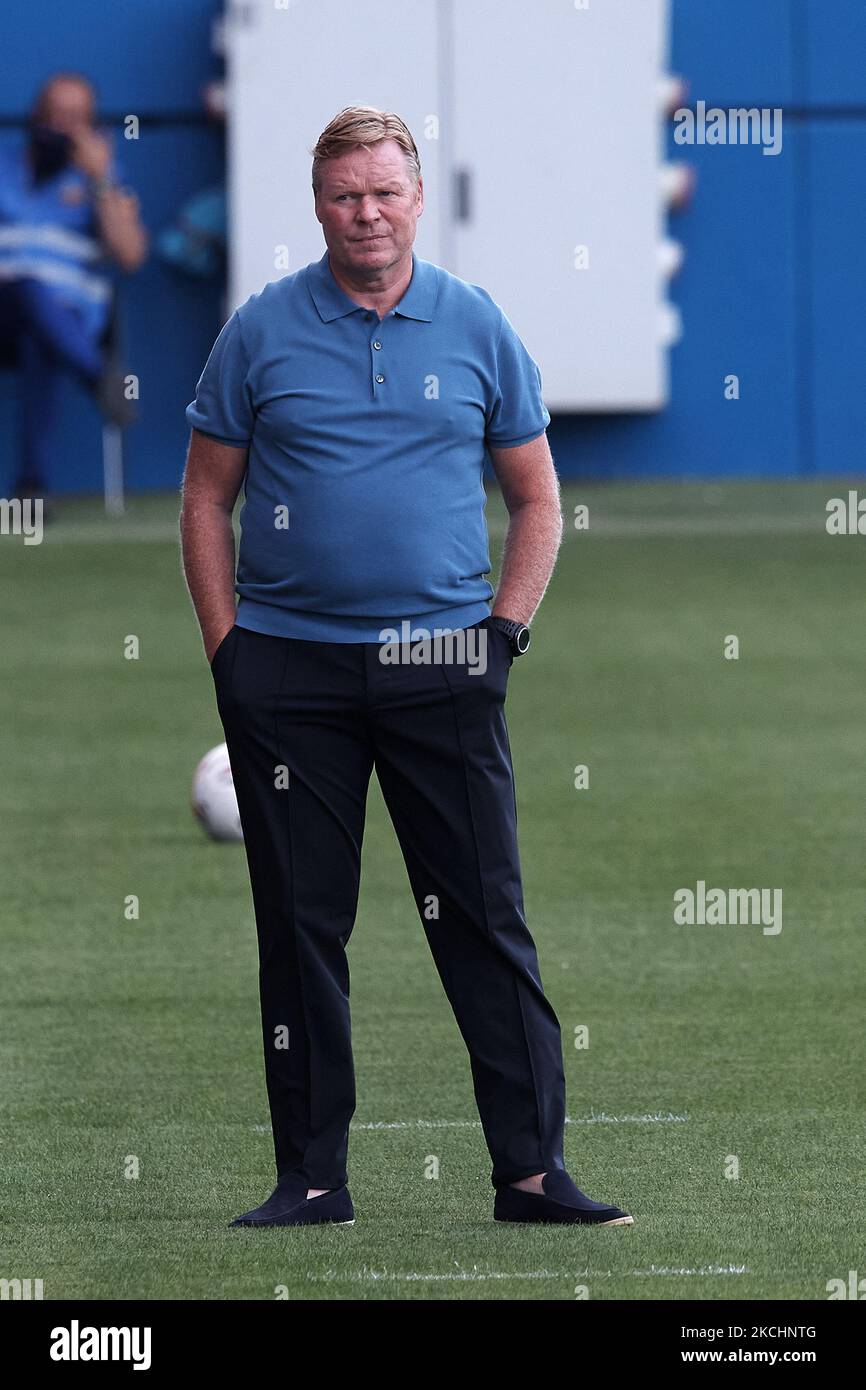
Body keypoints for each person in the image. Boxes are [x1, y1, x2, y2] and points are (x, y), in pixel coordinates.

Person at [181, 105, 633, 1230]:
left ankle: (531, 1174)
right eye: (344, 195)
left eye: (384, 192)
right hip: (290, 671)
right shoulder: (259, 331)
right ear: (317, 204)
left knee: (483, 917)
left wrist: (500, 634)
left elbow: (536, 499)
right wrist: (229, 650)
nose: (365, 213)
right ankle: (311, 1179)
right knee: (297, 928)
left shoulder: (475, 324)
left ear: (417, 197)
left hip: (442, 662)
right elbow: (204, 498)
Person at [0, 72, 147, 506]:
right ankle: (98, 378)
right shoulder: (4, 165)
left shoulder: (103, 179)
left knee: (39, 338)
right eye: (53, 115)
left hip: (67, 321)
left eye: (74, 118)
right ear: (35, 116)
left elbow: (131, 255)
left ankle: (32, 489)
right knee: (25, 288)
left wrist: (100, 176)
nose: (61, 126)